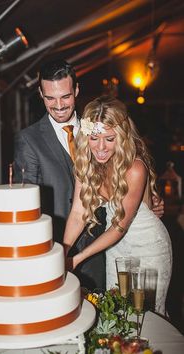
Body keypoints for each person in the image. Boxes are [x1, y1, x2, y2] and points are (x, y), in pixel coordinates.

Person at [14, 59, 164, 291]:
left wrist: (145, 205)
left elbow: (128, 195)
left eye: (65, 96)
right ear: (40, 95)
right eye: (50, 98)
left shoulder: (97, 123)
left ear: (76, 90)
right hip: (67, 240)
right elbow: (36, 203)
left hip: (108, 243)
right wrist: (57, 252)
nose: (59, 105)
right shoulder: (29, 139)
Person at [63, 95, 172, 315]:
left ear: (121, 138)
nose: (101, 147)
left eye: (110, 139)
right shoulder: (85, 166)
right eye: (94, 138)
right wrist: (63, 252)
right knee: (118, 313)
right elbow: (78, 213)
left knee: (149, 317)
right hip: (116, 250)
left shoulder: (134, 168)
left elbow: (119, 226)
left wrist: (76, 259)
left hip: (149, 247)